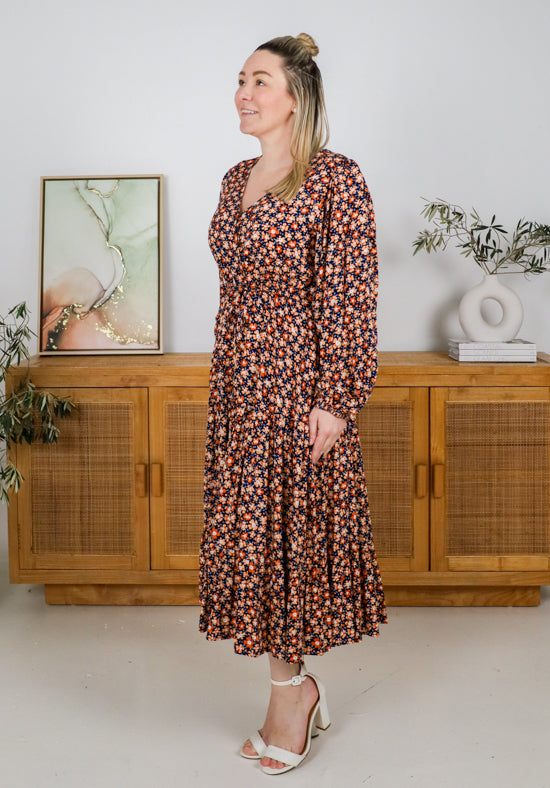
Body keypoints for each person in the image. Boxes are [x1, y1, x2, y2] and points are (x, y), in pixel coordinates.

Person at [199, 32, 387, 775]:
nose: (244, 93)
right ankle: (294, 686)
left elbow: (352, 298)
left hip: (299, 389)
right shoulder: (232, 178)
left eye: (260, 81)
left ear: (297, 97)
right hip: (238, 387)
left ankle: (291, 698)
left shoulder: (338, 179)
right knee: (254, 544)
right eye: (240, 79)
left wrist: (336, 399)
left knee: (289, 548)